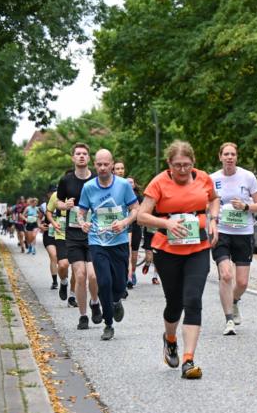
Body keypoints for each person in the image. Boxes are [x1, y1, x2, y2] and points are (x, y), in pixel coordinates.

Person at [137, 140, 219, 379]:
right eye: (177, 166)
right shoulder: (158, 183)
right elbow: (142, 216)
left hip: (198, 247)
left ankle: (188, 360)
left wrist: (213, 219)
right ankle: (170, 339)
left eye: (186, 165)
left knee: (193, 299)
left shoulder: (203, 178)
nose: (182, 170)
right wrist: (167, 222)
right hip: (167, 250)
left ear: (193, 163)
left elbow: (214, 199)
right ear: (169, 164)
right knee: (175, 304)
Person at [76, 149, 139, 341]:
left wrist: (125, 223)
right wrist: (82, 223)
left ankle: (117, 299)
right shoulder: (88, 187)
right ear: (95, 165)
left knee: (119, 285)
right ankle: (108, 324)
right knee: (103, 282)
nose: (102, 168)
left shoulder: (123, 185)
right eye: (99, 164)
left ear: (112, 165)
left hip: (119, 241)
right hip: (98, 241)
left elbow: (135, 209)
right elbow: (81, 212)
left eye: (106, 164)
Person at [209, 142, 257, 335]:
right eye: (226, 154)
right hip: (222, 232)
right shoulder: (212, 179)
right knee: (225, 275)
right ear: (220, 157)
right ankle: (229, 319)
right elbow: (206, 205)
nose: (229, 157)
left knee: (241, 283)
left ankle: (234, 300)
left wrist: (246, 207)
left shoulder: (248, 177)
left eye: (233, 154)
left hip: (243, 233)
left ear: (237, 157)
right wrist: (212, 222)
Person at [56, 143, 102, 327]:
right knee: (80, 275)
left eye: (84, 154)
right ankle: (83, 316)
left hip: (93, 233)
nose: (81, 156)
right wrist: (64, 206)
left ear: (89, 158)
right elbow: (57, 202)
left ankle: (95, 302)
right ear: (73, 158)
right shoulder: (66, 181)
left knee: (93, 276)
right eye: (78, 154)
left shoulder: (97, 180)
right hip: (74, 233)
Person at [113, 160, 141, 291]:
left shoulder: (126, 186)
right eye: (117, 168)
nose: (120, 171)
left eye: (122, 168)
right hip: (110, 223)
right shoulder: (108, 184)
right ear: (113, 170)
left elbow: (136, 206)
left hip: (127, 222)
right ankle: (116, 278)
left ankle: (128, 277)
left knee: (128, 249)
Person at [46, 186, 70, 300]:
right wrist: (53, 223)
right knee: (61, 263)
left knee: (77, 269)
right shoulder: (56, 196)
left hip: (78, 234)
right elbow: (48, 212)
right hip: (59, 233)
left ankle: (73, 297)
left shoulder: (83, 193)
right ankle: (63, 281)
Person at [40, 187, 60, 288]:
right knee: (53, 256)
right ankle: (55, 281)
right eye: (52, 192)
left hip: (61, 234)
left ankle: (63, 279)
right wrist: (40, 225)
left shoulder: (63, 203)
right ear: (48, 194)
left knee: (61, 261)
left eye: (56, 192)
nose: (54, 194)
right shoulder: (44, 206)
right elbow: (38, 218)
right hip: (49, 234)